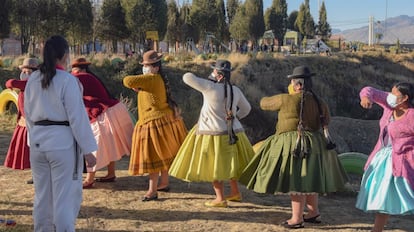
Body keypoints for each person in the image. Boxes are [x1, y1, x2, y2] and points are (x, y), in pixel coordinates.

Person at [239, 66, 348, 229]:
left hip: (295, 144)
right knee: (310, 180)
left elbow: (264, 103)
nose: (290, 84)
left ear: (297, 85)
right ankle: (313, 213)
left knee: (297, 182)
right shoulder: (320, 102)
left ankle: (296, 219)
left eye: (291, 82)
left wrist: (288, 96)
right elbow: (327, 120)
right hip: (316, 143)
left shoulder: (286, 99)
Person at [24, 35, 97, 231]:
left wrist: (34, 139)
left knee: (42, 196)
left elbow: (28, 114)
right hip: (62, 144)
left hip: (38, 143)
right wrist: (89, 149)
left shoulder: (33, 79)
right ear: (64, 55)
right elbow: (77, 117)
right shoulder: (67, 80)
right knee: (65, 196)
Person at [169, 60, 255, 208]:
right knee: (231, 164)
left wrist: (212, 77)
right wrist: (234, 117)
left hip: (213, 133)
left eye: (214, 71)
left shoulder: (209, 87)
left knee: (215, 167)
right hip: (234, 132)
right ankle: (235, 193)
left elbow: (187, 77)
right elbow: (247, 109)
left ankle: (220, 198)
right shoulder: (236, 90)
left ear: (218, 74)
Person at [123, 50, 187, 201]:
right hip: (163, 120)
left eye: (148, 65)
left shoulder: (151, 79)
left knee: (154, 159)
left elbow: (127, 80)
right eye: (144, 65)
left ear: (156, 67)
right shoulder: (156, 79)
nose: (145, 68)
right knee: (162, 156)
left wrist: (137, 85)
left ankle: (152, 191)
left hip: (154, 123)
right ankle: (163, 183)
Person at [356, 83, 414, 232]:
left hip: (405, 161)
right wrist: (365, 98)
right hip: (383, 159)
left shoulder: (412, 115)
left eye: (394, 93)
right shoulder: (389, 106)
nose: (390, 95)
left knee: (408, 194)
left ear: (404, 98)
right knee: (382, 196)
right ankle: (377, 229)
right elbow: (369, 90)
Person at [71, 57, 133, 189]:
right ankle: (110, 173)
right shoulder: (88, 77)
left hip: (102, 115)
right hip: (110, 112)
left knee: (92, 147)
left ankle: (89, 179)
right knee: (109, 145)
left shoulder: (81, 77)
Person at [4, 58, 39, 184]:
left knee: (36, 150)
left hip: (35, 122)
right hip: (28, 121)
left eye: (26, 70)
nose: (24, 72)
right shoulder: (29, 82)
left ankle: (39, 176)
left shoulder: (33, 82)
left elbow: (11, 82)